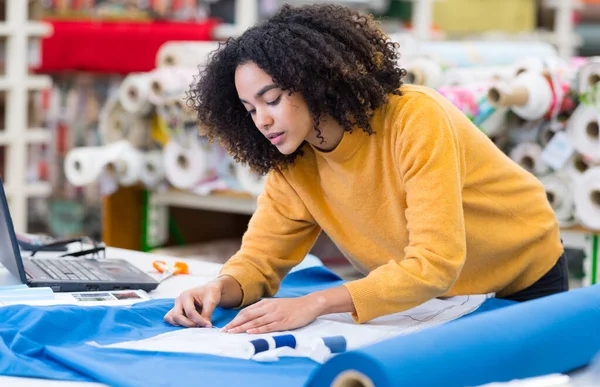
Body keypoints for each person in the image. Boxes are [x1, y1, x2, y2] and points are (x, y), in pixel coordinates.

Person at [164, 4, 567, 334]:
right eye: (250, 109)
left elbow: (435, 263)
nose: (262, 121)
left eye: (271, 100)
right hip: (442, 302)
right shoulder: (294, 158)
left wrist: (315, 303)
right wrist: (218, 288)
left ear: (314, 82)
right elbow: (259, 262)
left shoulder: (415, 118)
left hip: (523, 281)